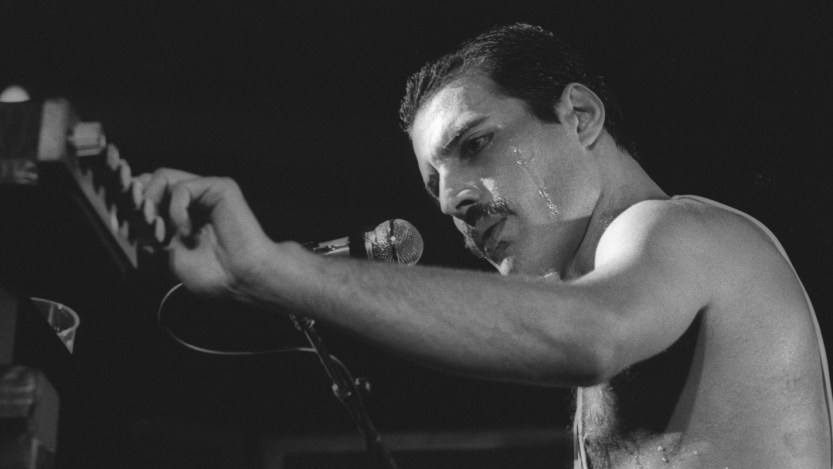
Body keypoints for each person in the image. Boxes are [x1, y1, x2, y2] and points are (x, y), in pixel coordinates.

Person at [138, 23, 832, 468]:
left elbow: (590, 333)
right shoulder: (609, 293)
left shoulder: (675, 229)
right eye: (434, 181)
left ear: (579, 117)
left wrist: (283, 270)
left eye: (475, 145)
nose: (451, 200)